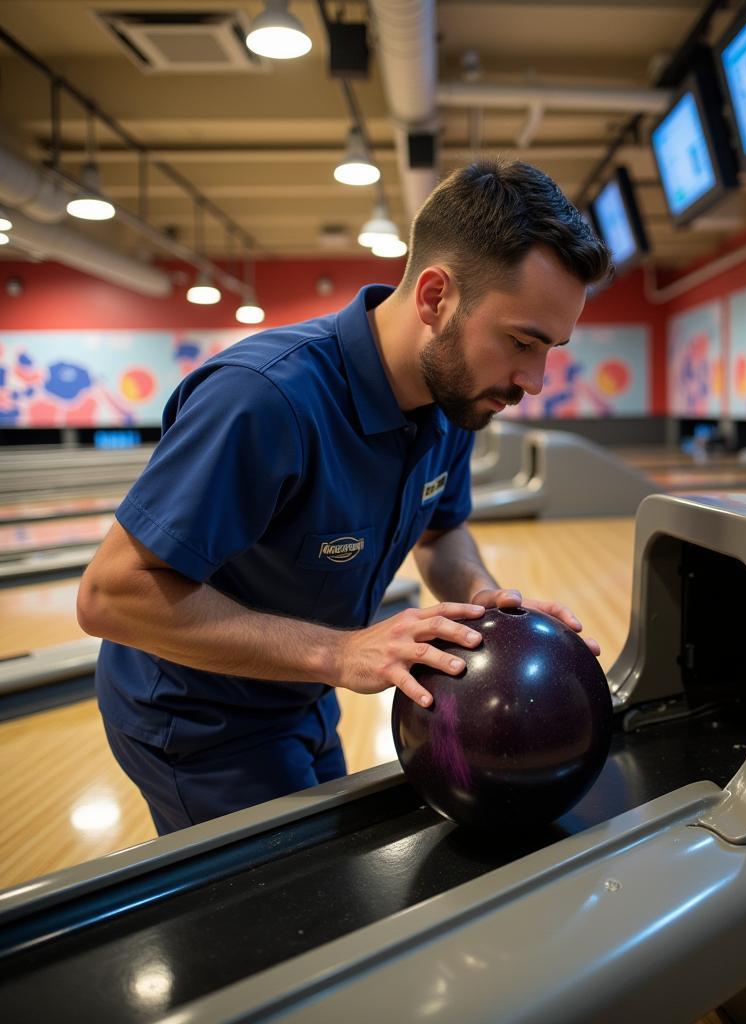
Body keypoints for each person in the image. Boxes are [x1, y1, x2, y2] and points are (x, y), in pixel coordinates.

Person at [77, 158, 612, 835]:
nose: (534, 380)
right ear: (434, 298)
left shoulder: (454, 401)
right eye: (522, 342)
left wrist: (481, 600)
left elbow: (442, 533)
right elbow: (110, 594)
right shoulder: (263, 401)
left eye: (551, 350)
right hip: (197, 718)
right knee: (288, 929)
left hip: (301, 694)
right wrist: (338, 653)